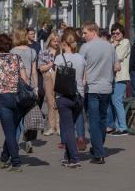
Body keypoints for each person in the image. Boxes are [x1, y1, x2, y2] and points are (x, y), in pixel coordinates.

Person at [80, 22, 120, 164]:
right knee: (102, 119)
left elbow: (79, 67)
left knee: (94, 121)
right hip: (106, 88)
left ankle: (98, 153)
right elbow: (117, 66)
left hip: (92, 88)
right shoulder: (109, 47)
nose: (83, 36)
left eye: (85, 32)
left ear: (93, 31)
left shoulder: (85, 47)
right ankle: (98, 145)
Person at [0, 33, 28, 172]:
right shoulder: (17, 58)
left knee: (9, 132)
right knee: (12, 129)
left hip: (2, 98)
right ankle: (4, 158)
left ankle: (16, 162)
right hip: (18, 97)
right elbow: (25, 78)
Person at [54, 29, 86, 168]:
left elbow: (56, 80)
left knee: (67, 129)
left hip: (64, 96)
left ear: (63, 43)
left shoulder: (59, 58)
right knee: (70, 126)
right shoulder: (81, 58)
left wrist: (55, 97)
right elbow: (85, 80)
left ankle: (74, 158)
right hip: (79, 96)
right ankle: (67, 156)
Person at [11, 28, 38, 153]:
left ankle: (14, 145)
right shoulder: (32, 51)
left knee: (17, 117)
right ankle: (28, 141)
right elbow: (33, 72)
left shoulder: (12, 51)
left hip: (16, 87)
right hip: (29, 87)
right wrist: (36, 87)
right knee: (26, 115)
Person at [106, 23, 130, 136]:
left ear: (122, 33)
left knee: (117, 101)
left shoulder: (125, 42)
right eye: (113, 33)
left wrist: (113, 45)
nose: (115, 35)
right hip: (112, 77)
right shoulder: (111, 44)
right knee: (112, 102)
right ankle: (116, 126)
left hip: (121, 77)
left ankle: (123, 127)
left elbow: (118, 56)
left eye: (117, 33)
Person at [39, 31, 60, 136]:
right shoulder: (44, 52)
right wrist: (50, 65)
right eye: (54, 41)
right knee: (50, 102)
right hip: (48, 77)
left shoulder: (61, 52)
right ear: (50, 41)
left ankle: (59, 126)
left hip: (59, 76)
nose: (56, 43)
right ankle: (52, 127)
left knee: (59, 101)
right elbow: (41, 68)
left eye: (57, 41)